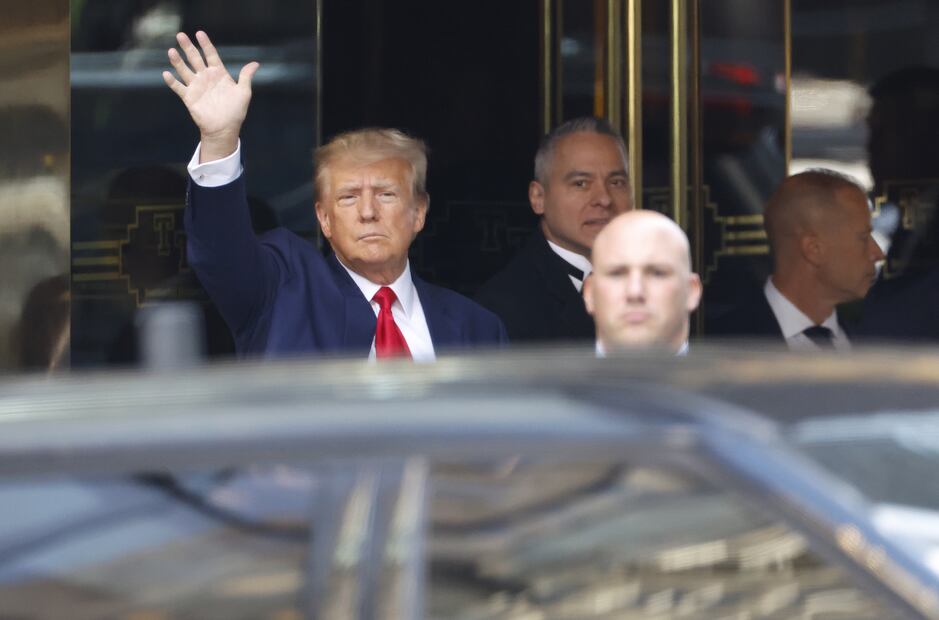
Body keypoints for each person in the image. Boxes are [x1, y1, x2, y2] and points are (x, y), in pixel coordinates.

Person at [163, 31, 506, 360]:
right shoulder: (282, 292)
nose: (368, 211)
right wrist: (219, 139)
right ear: (324, 218)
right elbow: (221, 256)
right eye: (348, 197)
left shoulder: (476, 328)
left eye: (386, 195)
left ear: (418, 212)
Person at [475, 117, 632, 343]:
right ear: (538, 197)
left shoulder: (656, 285)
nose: (605, 199)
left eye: (616, 182)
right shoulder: (500, 309)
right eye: (581, 183)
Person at [712, 170, 885, 351]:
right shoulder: (725, 345)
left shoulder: (877, 336)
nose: (878, 253)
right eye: (863, 238)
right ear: (813, 249)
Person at [583, 211, 701, 355]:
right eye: (617, 274)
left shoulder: (731, 377)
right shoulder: (550, 377)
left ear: (692, 291)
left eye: (657, 273)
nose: (635, 291)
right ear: (589, 293)